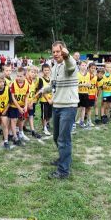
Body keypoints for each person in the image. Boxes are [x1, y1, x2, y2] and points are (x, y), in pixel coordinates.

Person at [40, 41, 78, 180]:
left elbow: (71, 66)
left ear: (64, 51)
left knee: (63, 139)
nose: (56, 54)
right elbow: (53, 85)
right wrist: (42, 90)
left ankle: (63, 171)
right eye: (54, 51)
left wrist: (68, 56)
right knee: (57, 137)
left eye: (58, 51)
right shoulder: (55, 66)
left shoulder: (70, 64)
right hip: (57, 106)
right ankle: (64, 159)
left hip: (68, 107)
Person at [9, 67, 29, 146]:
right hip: (14, 106)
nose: (19, 78)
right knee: (13, 121)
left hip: (22, 105)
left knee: (21, 119)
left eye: (21, 76)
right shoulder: (13, 84)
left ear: (24, 76)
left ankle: (20, 133)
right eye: (17, 76)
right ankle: (15, 136)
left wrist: (26, 105)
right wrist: (19, 107)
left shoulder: (26, 84)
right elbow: (13, 97)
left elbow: (27, 96)